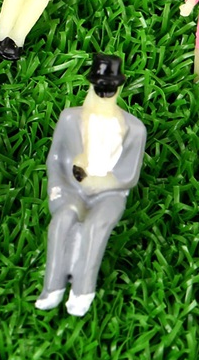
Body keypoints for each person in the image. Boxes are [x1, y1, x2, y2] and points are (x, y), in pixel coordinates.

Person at [36, 54, 146, 317]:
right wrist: (57, 187)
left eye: (109, 90)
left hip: (109, 193)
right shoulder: (70, 119)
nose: (103, 95)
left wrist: (103, 183)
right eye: (99, 89)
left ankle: (82, 290)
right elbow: (55, 158)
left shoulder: (134, 129)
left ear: (117, 90)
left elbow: (129, 174)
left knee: (95, 226)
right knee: (63, 220)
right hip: (71, 188)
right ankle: (53, 286)